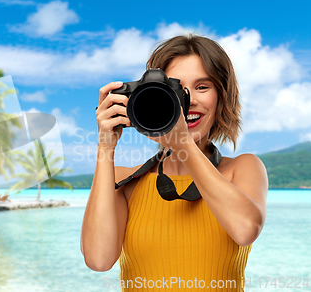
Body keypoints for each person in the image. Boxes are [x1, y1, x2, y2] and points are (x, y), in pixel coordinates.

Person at [81, 34, 268, 291]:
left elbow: (246, 229)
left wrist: (182, 143)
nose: (188, 101)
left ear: (222, 96)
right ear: (152, 97)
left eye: (203, 87)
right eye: (177, 89)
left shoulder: (243, 168)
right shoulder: (125, 180)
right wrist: (105, 147)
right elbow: (98, 259)